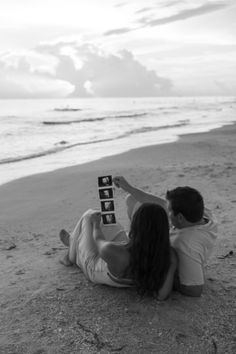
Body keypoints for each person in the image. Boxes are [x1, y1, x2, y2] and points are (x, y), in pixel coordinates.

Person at [113, 176, 218, 297]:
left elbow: (195, 290)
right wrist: (128, 187)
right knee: (132, 200)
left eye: (169, 210)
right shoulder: (199, 213)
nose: (166, 211)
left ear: (179, 218)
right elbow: (155, 201)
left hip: (160, 255)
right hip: (170, 235)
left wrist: (170, 276)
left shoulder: (187, 245)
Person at [59, 203, 177, 300]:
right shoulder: (168, 255)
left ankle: (71, 252)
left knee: (89, 215)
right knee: (106, 218)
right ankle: (75, 240)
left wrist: (96, 225)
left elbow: (99, 240)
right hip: (125, 254)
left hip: (95, 266)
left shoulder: (116, 252)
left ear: (136, 227)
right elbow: (161, 295)